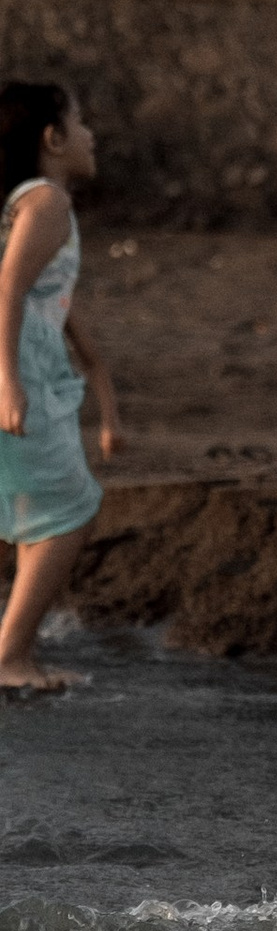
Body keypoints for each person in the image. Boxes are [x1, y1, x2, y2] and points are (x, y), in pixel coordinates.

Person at [0, 81, 119, 695]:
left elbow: (50, 299)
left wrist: (101, 389)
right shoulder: (47, 201)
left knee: (38, 512)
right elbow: (9, 287)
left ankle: (15, 648)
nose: (90, 133)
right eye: (79, 122)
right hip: (21, 380)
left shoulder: (35, 204)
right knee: (69, 510)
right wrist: (9, 382)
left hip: (33, 376)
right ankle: (10, 655)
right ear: (52, 139)